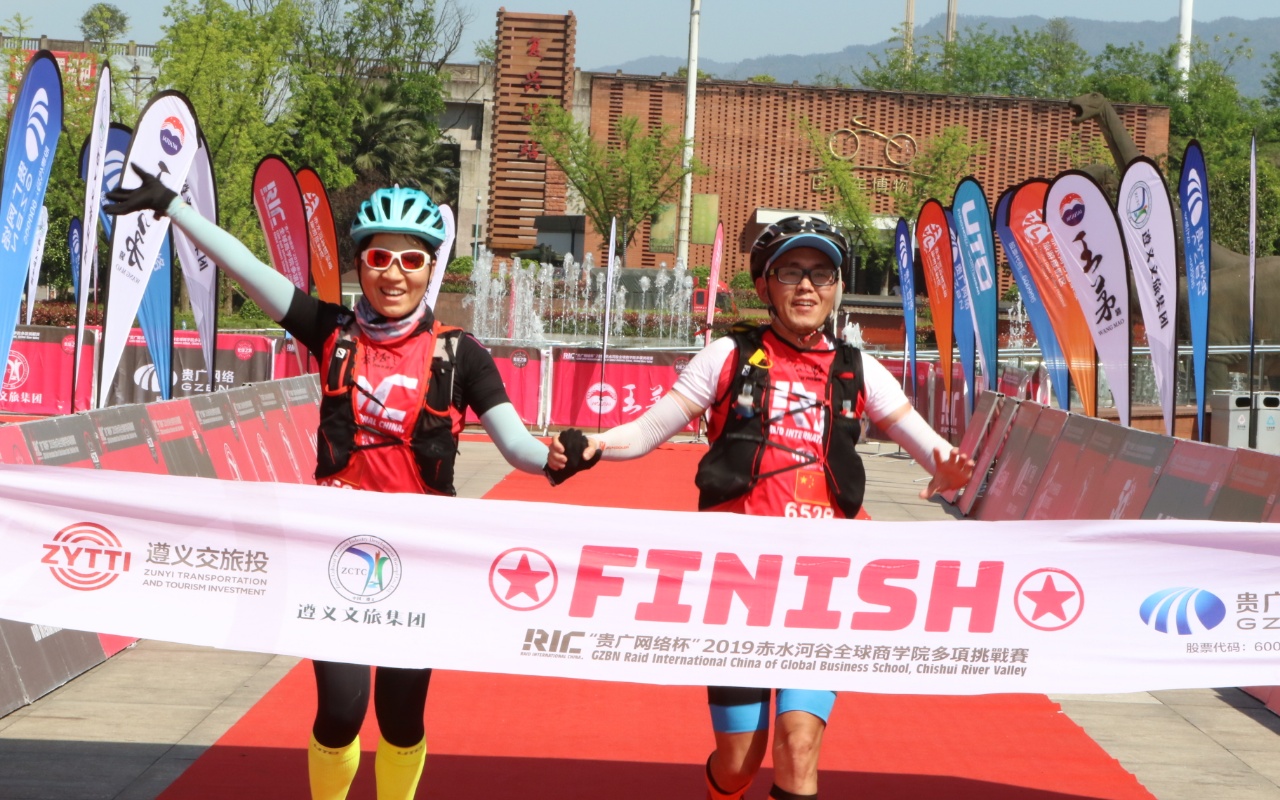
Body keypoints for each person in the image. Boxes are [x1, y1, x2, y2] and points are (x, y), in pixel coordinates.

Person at [105, 168, 595, 800]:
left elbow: (518, 445)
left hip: (422, 554)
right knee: (341, 711)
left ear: (430, 267)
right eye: (379, 258)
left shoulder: (461, 355)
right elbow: (248, 269)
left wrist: (556, 457)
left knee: (400, 717)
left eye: (411, 260)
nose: (394, 274)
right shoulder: (332, 332)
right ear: (362, 264)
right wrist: (175, 206)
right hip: (337, 550)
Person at [552, 215, 974, 800]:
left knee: (799, 747)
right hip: (736, 583)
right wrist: (596, 445)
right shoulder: (728, 355)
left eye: (822, 274)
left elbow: (931, 448)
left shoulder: (859, 370)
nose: (807, 286)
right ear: (764, 285)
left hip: (821, 583)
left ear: (837, 288)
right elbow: (648, 430)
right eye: (791, 272)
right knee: (739, 764)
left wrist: (948, 470)